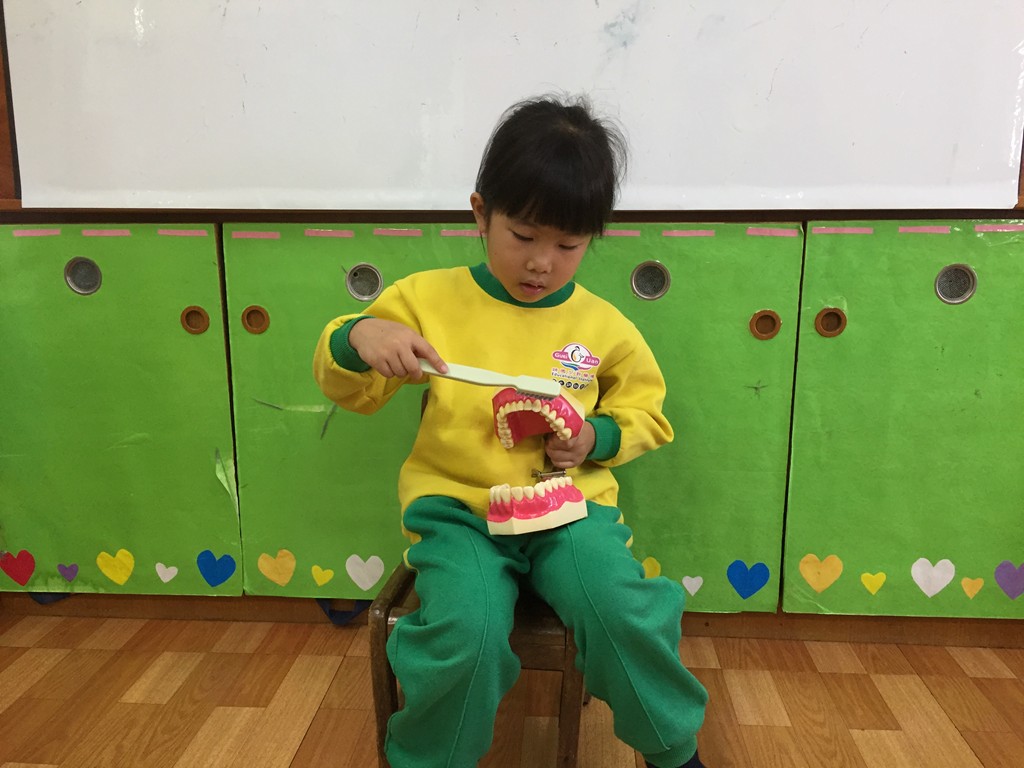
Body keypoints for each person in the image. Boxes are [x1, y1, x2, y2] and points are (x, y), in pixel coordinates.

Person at [313, 94, 708, 768]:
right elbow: (350, 387)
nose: (541, 263)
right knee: (463, 634)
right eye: (523, 236)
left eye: (568, 245)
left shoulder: (604, 326)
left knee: (622, 610)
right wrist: (359, 336)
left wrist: (595, 439)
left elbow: (646, 412)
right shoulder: (425, 300)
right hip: (459, 515)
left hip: (569, 510)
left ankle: (673, 752)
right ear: (480, 213)